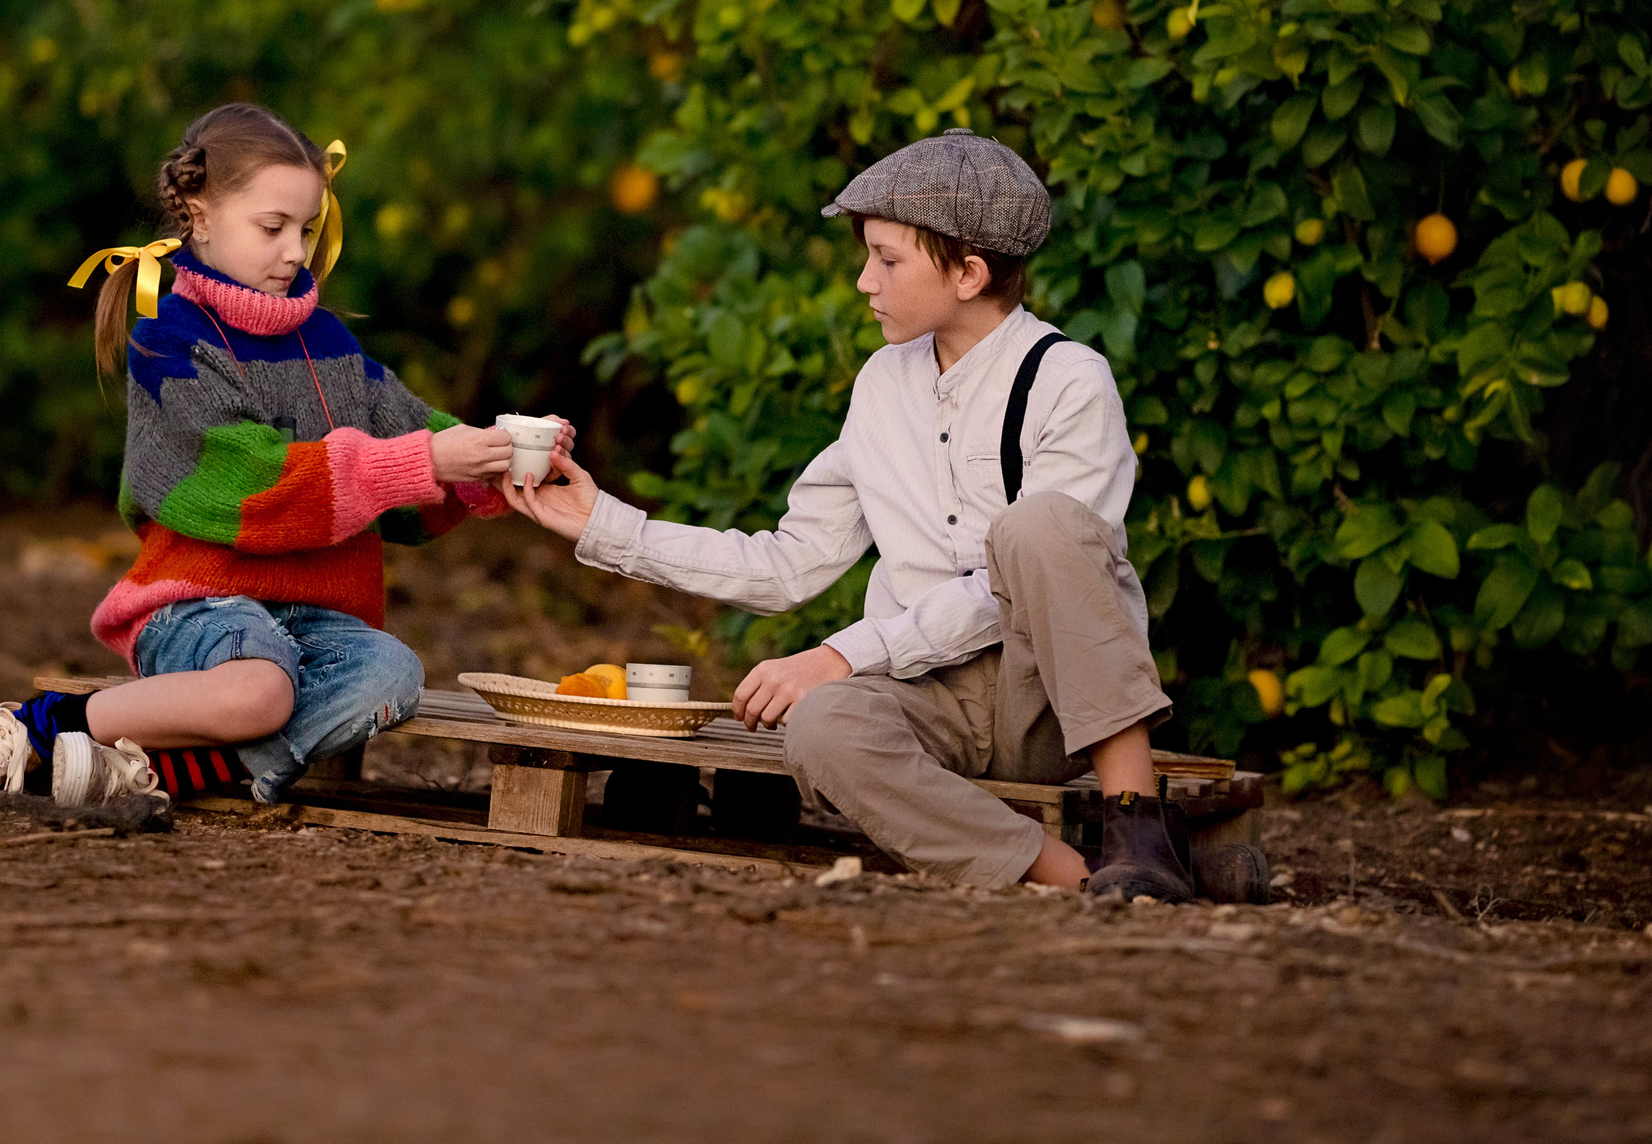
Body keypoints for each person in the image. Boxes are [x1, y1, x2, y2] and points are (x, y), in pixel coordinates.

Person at [503, 129, 1191, 899]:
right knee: (822, 726)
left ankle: (1137, 820)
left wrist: (840, 651)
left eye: (887, 260)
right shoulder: (882, 382)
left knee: (1038, 528)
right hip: (935, 696)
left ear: (968, 272)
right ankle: (1083, 876)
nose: (865, 281)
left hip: (1053, 700)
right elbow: (792, 558)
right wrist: (604, 524)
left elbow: (1002, 589)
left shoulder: (1070, 380)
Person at [0, 103, 566, 812]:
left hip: (316, 619)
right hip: (201, 606)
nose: (296, 252)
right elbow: (254, 485)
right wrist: (424, 458)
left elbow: (408, 445)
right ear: (198, 214)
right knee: (262, 685)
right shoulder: (172, 345)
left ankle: (149, 774)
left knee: (392, 673)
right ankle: (40, 727)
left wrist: (490, 465)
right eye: (272, 227)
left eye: (307, 230)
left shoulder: (331, 345)